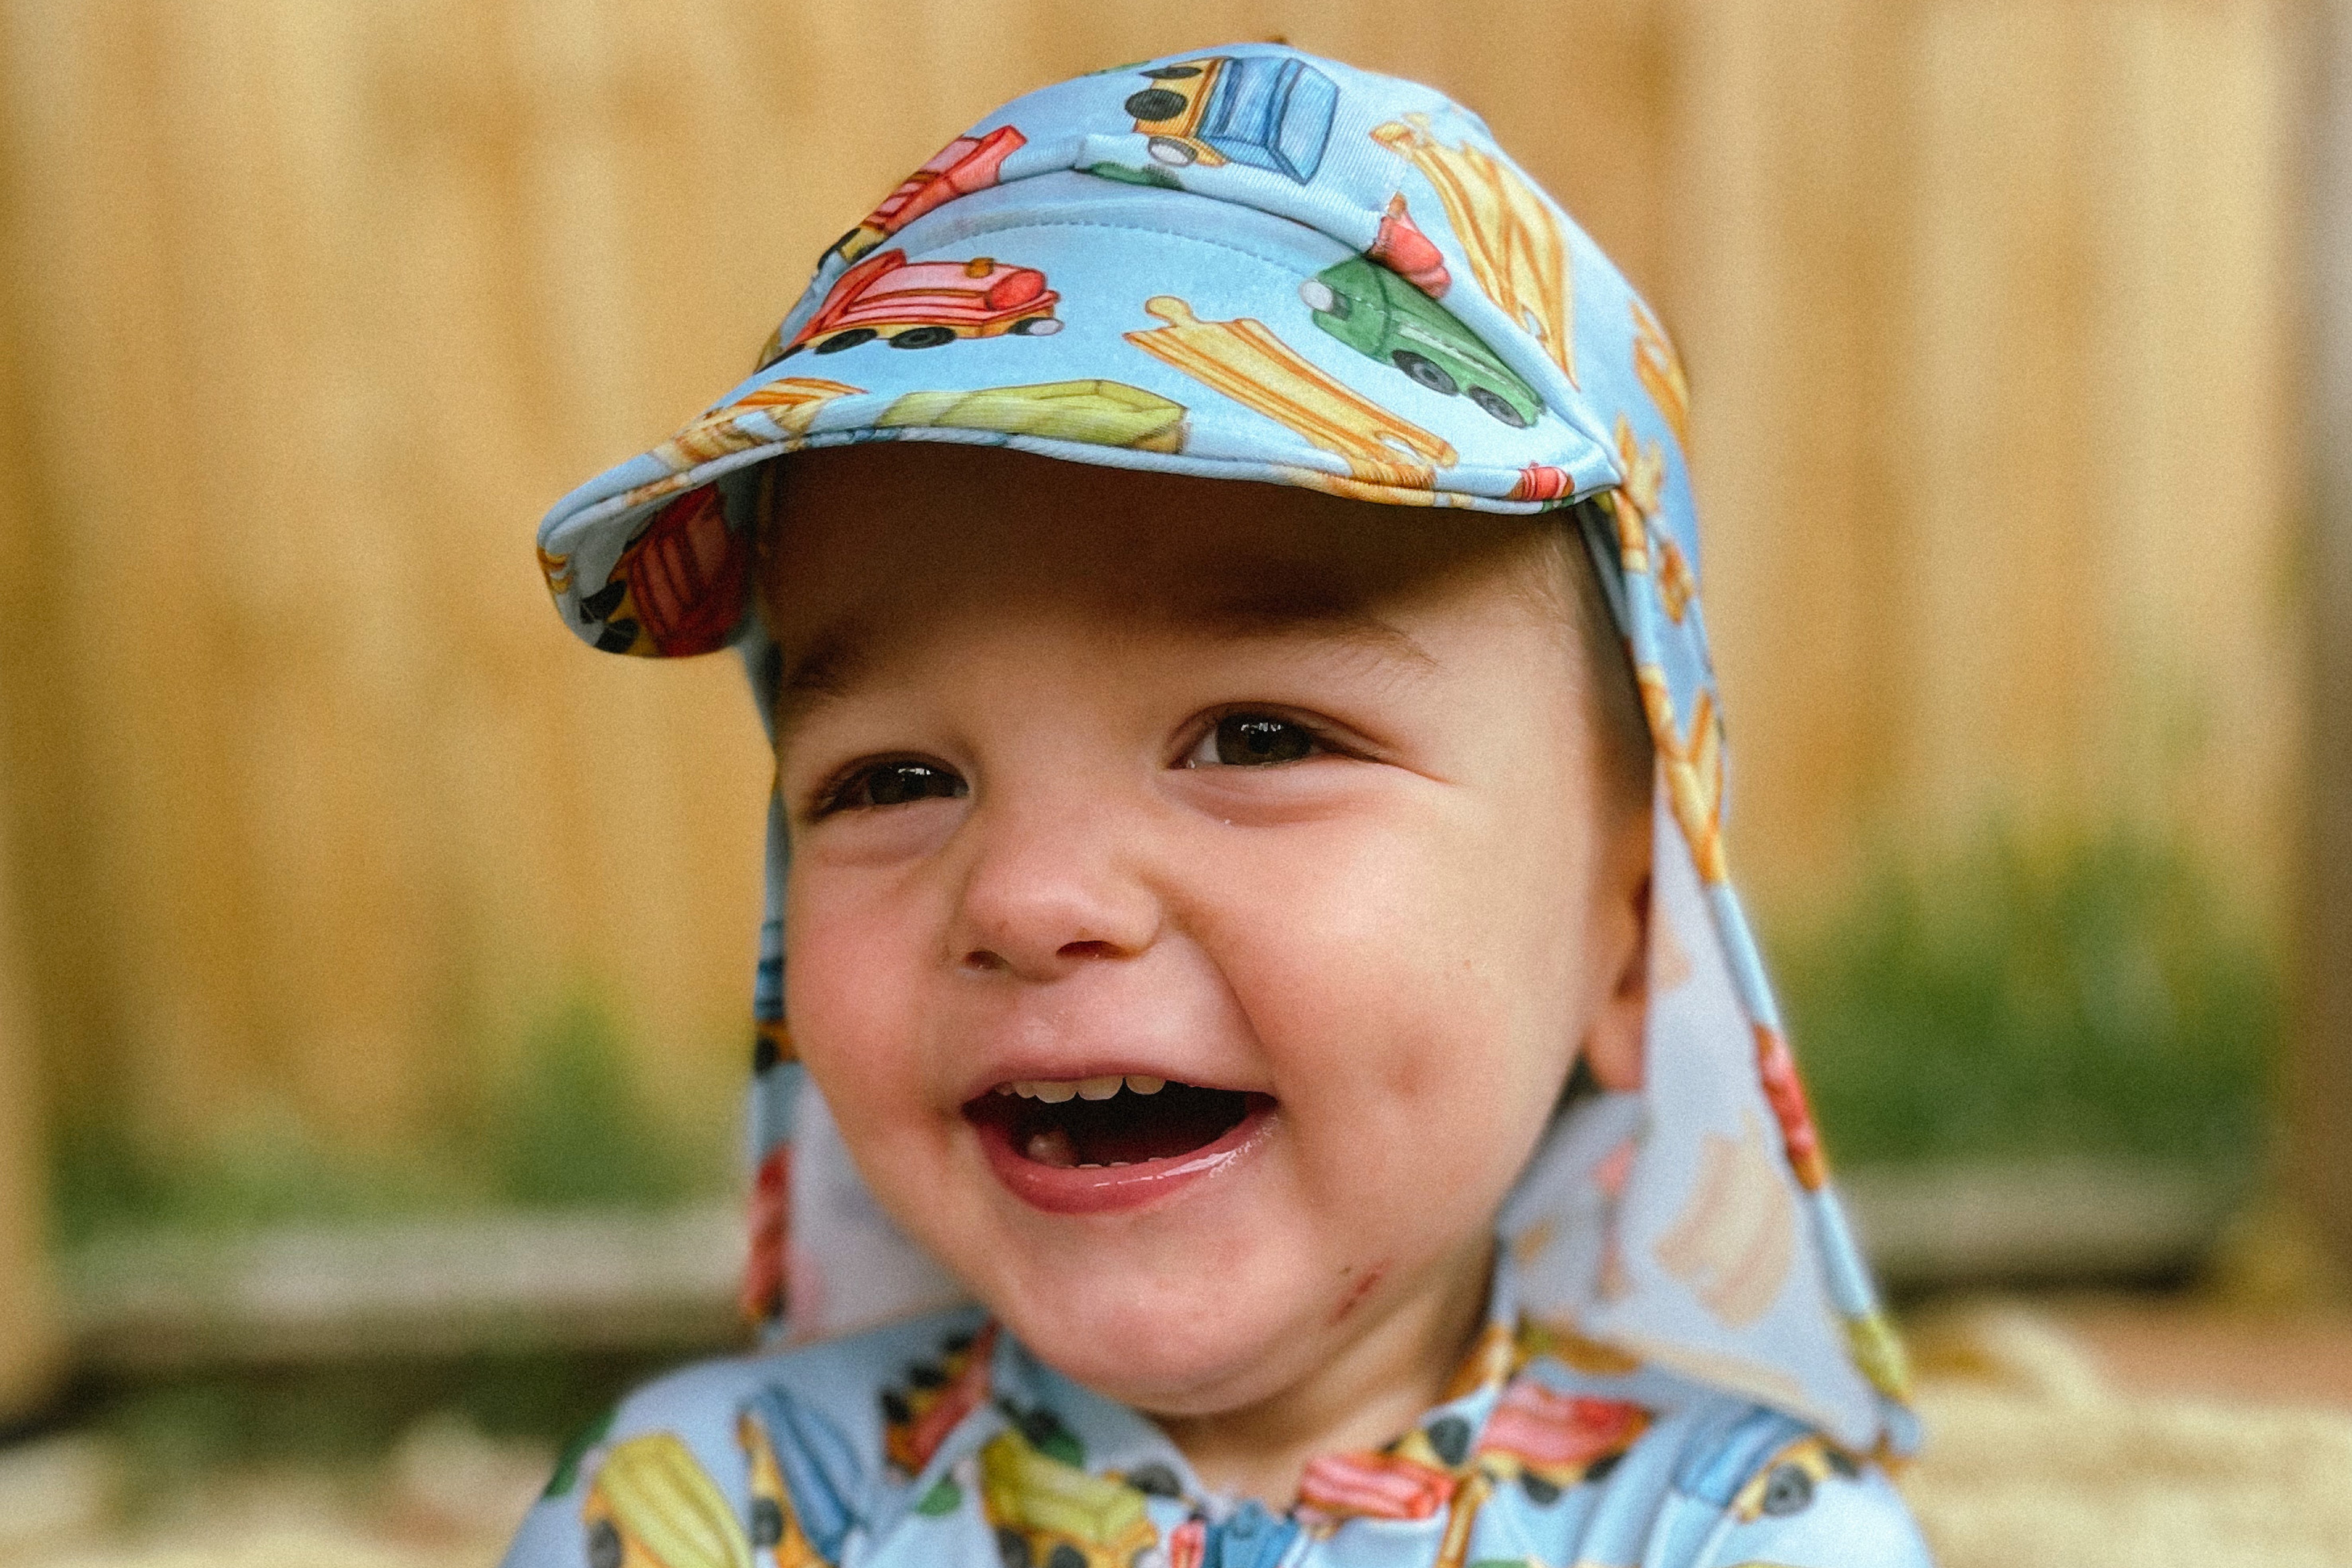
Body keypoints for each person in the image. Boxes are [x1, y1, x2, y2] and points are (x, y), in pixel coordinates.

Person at [506, 45, 1934, 1568]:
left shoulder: (1736, 1538)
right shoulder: (708, 1512)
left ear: (1634, 931)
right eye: (895, 780)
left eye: (1256, 737)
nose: (1032, 897)